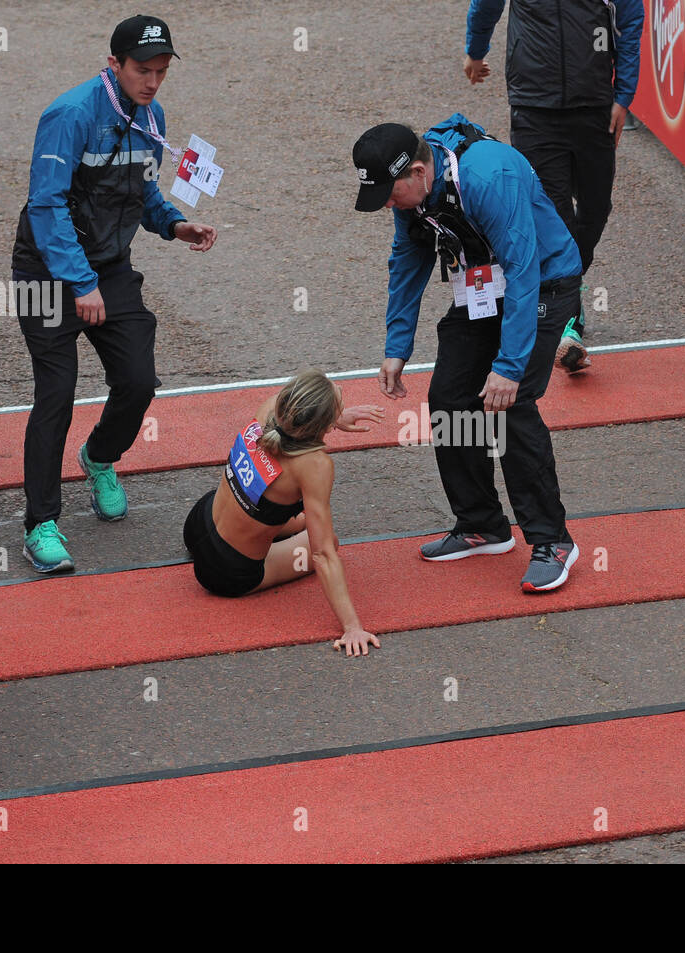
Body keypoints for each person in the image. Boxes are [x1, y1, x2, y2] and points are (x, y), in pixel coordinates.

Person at [12, 15, 217, 573]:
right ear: (114, 65)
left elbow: (141, 189)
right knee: (56, 393)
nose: (151, 82)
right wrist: (80, 283)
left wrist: (175, 224)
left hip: (109, 266)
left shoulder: (152, 115)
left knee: (138, 379)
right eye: (141, 71)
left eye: (160, 72)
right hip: (47, 272)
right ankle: (41, 524)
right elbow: (46, 205)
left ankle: (99, 457)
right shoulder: (71, 115)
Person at [352, 116, 582, 592]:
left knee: (509, 403)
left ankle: (553, 540)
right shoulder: (413, 190)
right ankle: (482, 524)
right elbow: (408, 257)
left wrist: (508, 366)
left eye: (391, 194)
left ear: (418, 171)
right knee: (451, 398)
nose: (388, 206)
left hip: (543, 282)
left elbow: (523, 270)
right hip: (485, 286)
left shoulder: (487, 177)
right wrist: (397, 347)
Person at [463, 0, 644, 373]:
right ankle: (567, 321)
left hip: (594, 104)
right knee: (555, 218)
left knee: (595, 210)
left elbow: (630, 22)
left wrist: (623, 95)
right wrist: (475, 51)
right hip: (534, 107)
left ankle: (566, 294)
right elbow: (486, 5)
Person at [183, 370, 386, 657]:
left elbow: (299, 412)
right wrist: (352, 627)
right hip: (225, 572)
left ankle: (260, 532)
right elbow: (323, 554)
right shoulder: (314, 466)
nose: (340, 387)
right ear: (323, 424)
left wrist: (331, 420)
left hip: (198, 522)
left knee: (295, 518)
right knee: (331, 541)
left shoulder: (272, 407)